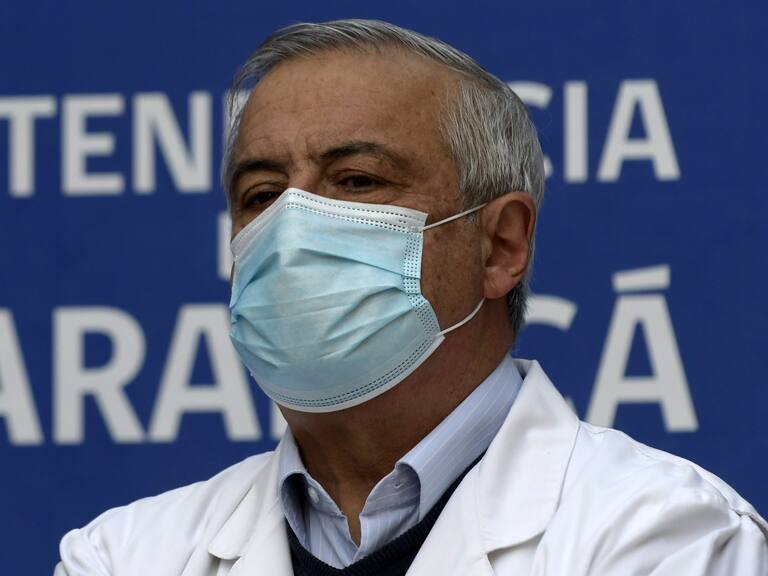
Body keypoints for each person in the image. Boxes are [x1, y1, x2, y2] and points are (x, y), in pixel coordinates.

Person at [55, 19, 767, 576]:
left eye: (357, 181)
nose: (293, 230)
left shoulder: (667, 537)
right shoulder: (124, 556)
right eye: (262, 195)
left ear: (501, 246)